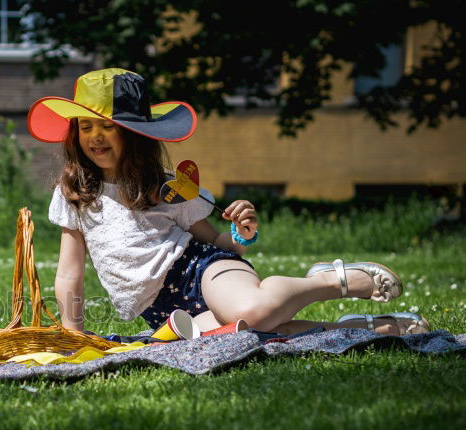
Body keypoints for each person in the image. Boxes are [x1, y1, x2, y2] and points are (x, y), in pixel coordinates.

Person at [27, 68, 429, 337]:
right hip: (161, 310)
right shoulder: (75, 194)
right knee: (250, 337)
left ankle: (329, 280)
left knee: (252, 311)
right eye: (85, 126)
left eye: (108, 126)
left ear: (134, 134)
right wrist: (72, 333)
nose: (95, 136)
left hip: (201, 271)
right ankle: (364, 329)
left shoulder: (165, 187)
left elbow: (215, 242)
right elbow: (69, 274)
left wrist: (241, 235)